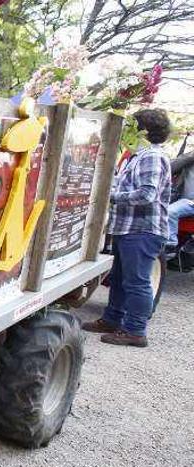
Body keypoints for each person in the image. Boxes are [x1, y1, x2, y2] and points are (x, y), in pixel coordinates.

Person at [83, 109, 173, 347]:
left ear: (142, 130)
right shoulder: (137, 156)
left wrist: (109, 196)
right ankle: (112, 320)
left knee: (137, 282)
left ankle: (135, 331)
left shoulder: (151, 156)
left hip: (142, 230)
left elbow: (147, 194)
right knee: (121, 278)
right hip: (129, 228)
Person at [166, 152, 194, 253]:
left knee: (170, 212)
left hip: (189, 201)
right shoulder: (189, 159)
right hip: (184, 200)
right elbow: (169, 168)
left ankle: (170, 246)